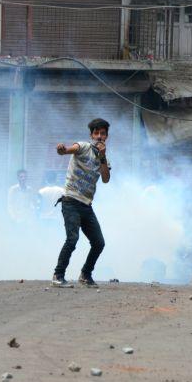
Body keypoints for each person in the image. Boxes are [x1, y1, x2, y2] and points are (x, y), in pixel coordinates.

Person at [52, 118, 111, 288]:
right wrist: (62, 149)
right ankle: (58, 275)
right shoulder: (84, 146)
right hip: (70, 201)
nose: (99, 136)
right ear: (91, 135)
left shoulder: (104, 158)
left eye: (103, 133)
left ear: (106, 136)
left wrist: (102, 157)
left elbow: (106, 179)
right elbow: (69, 150)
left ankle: (85, 274)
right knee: (72, 239)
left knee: (99, 242)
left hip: (86, 205)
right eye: (96, 133)